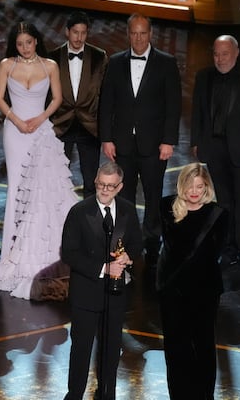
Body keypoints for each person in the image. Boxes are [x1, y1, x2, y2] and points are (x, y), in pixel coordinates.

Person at [0, 21, 78, 300]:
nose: (24, 47)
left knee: (45, 190)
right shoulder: (6, 66)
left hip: (40, 130)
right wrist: (14, 120)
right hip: (15, 132)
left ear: (37, 41)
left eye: (29, 42)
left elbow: (57, 98)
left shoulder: (49, 66)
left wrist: (39, 119)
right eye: (20, 43)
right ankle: (13, 251)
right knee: (17, 189)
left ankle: (46, 247)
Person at [98, 13, 182, 266]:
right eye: (134, 33)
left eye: (142, 33)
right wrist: (106, 138)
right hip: (122, 144)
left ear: (151, 34)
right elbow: (106, 104)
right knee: (124, 198)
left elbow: (173, 105)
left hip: (155, 145)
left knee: (154, 195)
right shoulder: (115, 62)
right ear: (128, 34)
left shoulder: (167, 63)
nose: (138, 38)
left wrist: (169, 141)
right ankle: (126, 245)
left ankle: (153, 245)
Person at [61, 161, 142, 400]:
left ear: (120, 187)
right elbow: (69, 253)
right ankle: (74, 394)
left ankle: (108, 394)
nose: (105, 190)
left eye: (111, 186)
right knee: (82, 349)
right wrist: (103, 268)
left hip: (115, 293)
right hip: (86, 293)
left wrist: (129, 256)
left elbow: (137, 242)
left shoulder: (127, 209)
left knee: (110, 349)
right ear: (95, 183)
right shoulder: (79, 211)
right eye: (101, 185)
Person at [191, 35, 240, 266]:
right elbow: (197, 113)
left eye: (225, 54)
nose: (220, 58)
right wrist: (197, 142)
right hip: (214, 147)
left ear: (236, 52)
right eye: (216, 54)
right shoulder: (203, 76)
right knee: (223, 201)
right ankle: (225, 245)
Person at [157, 163, 227, 400]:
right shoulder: (167, 207)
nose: (194, 191)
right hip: (172, 291)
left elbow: (215, 254)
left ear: (207, 187)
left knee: (203, 347)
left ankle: (204, 396)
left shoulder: (218, 214)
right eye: (190, 185)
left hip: (204, 291)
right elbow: (166, 249)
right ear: (182, 185)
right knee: (175, 349)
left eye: (200, 186)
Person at [49, 11, 109, 198]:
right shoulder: (53, 57)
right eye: (75, 32)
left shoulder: (100, 57)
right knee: (57, 179)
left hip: (89, 126)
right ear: (67, 32)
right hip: (60, 125)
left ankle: (89, 223)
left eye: (83, 33)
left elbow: (105, 95)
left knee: (91, 180)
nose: (79, 37)